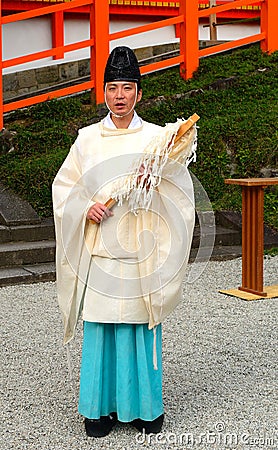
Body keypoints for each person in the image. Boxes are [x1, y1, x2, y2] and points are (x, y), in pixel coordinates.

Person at [52, 46, 196, 438]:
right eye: (112, 87)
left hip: (139, 251)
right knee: (100, 330)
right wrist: (86, 207)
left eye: (127, 87)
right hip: (102, 251)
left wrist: (155, 187)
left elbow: (178, 189)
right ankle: (98, 410)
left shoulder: (158, 140)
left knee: (137, 326)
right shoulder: (86, 140)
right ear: (103, 92)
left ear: (139, 93)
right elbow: (66, 186)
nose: (119, 95)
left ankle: (145, 410)